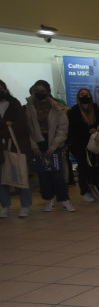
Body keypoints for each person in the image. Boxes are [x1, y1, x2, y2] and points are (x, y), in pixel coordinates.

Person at [25, 80, 74, 213]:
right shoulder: (28, 108)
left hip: (54, 142)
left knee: (58, 174)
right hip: (37, 142)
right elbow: (27, 129)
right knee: (43, 175)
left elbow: (62, 128)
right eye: (37, 90)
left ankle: (64, 200)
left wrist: (54, 145)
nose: (39, 93)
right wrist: (33, 145)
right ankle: (48, 200)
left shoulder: (57, 107)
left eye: (42, 91)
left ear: (47, 91)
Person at [0, 79, 33, 218]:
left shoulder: (15, 104)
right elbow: (7, 125)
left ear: (5, 89)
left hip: (16, 146)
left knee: (20, 176)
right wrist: (6, 125)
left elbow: (21, 126)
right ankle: (5, 206)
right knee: (2, 179)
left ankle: (25, 205)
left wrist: (6, 127)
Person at [67, 87, 99, 203]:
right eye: (82, 94)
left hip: (93, 143)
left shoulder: (95, 110)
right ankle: (85, 191)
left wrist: (96, 129)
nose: (85, 96)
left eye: (87, 94)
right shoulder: (73, 111)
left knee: (95, 167)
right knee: (83, 167)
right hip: (79, 144)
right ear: (78, 96)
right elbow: (72, 128)